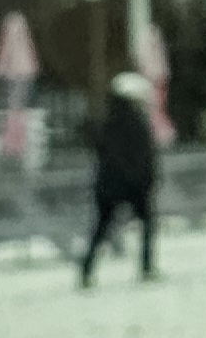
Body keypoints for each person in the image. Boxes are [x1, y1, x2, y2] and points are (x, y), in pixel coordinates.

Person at [79, 72, 160, 288]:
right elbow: (142, 156)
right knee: (147, 225)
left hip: (107, 185)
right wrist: (146, 180)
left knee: (101, 229)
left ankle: (86, 270)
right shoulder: (135, 122)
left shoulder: (107, 120)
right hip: (132, 185)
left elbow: (100, 148)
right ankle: (146, 267)